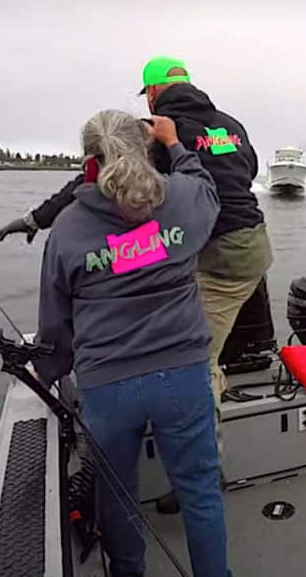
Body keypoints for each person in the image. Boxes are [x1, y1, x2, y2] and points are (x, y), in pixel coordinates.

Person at [0, 56, 273, 405]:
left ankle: (196, 429)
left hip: (217, 256)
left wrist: (38, 218)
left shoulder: (158, 131)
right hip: (253, 244)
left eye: (148, 95)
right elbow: (248, 172)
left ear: (153, 92)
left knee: (196, 362)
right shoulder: (231, 125)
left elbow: (94, 179)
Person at [32, 110, 232, 577]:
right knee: (199, 490)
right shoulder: (182, 199)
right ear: (146, 150)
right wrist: (177, 144)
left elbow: (55, 322)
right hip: (182, 376)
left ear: (90, 164)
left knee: (117, 497)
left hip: (107, 389)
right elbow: (206, 189)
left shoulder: (66, 229)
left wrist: (52, 370)